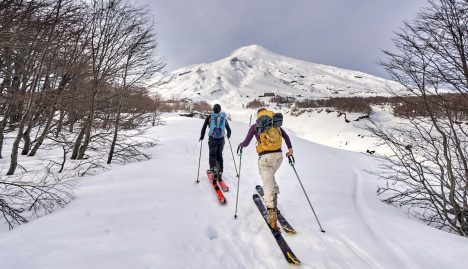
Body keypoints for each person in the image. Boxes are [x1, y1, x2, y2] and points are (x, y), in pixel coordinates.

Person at [238, 108, 293, 231]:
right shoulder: (275, 123)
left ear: (258, 115)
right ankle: (275, 199)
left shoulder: (255, 126)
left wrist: (240, 145)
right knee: (271, 178)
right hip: (279, 158)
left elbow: (246, 143)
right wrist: (290, 149)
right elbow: (286, 136)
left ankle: (272, 216)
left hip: (265, 159)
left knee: (267, 186)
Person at [200, 104, 232, 183]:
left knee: (212, 155)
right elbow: (229, 130)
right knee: (219, 155)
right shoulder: (223, 117)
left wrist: (202, 137)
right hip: (221, 140)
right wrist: (228, 135)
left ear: (213, 109)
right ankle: (220, 171)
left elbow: (203, 128)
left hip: (212, 140)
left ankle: (214, 170)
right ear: (220, 110)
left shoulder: (209, 117)